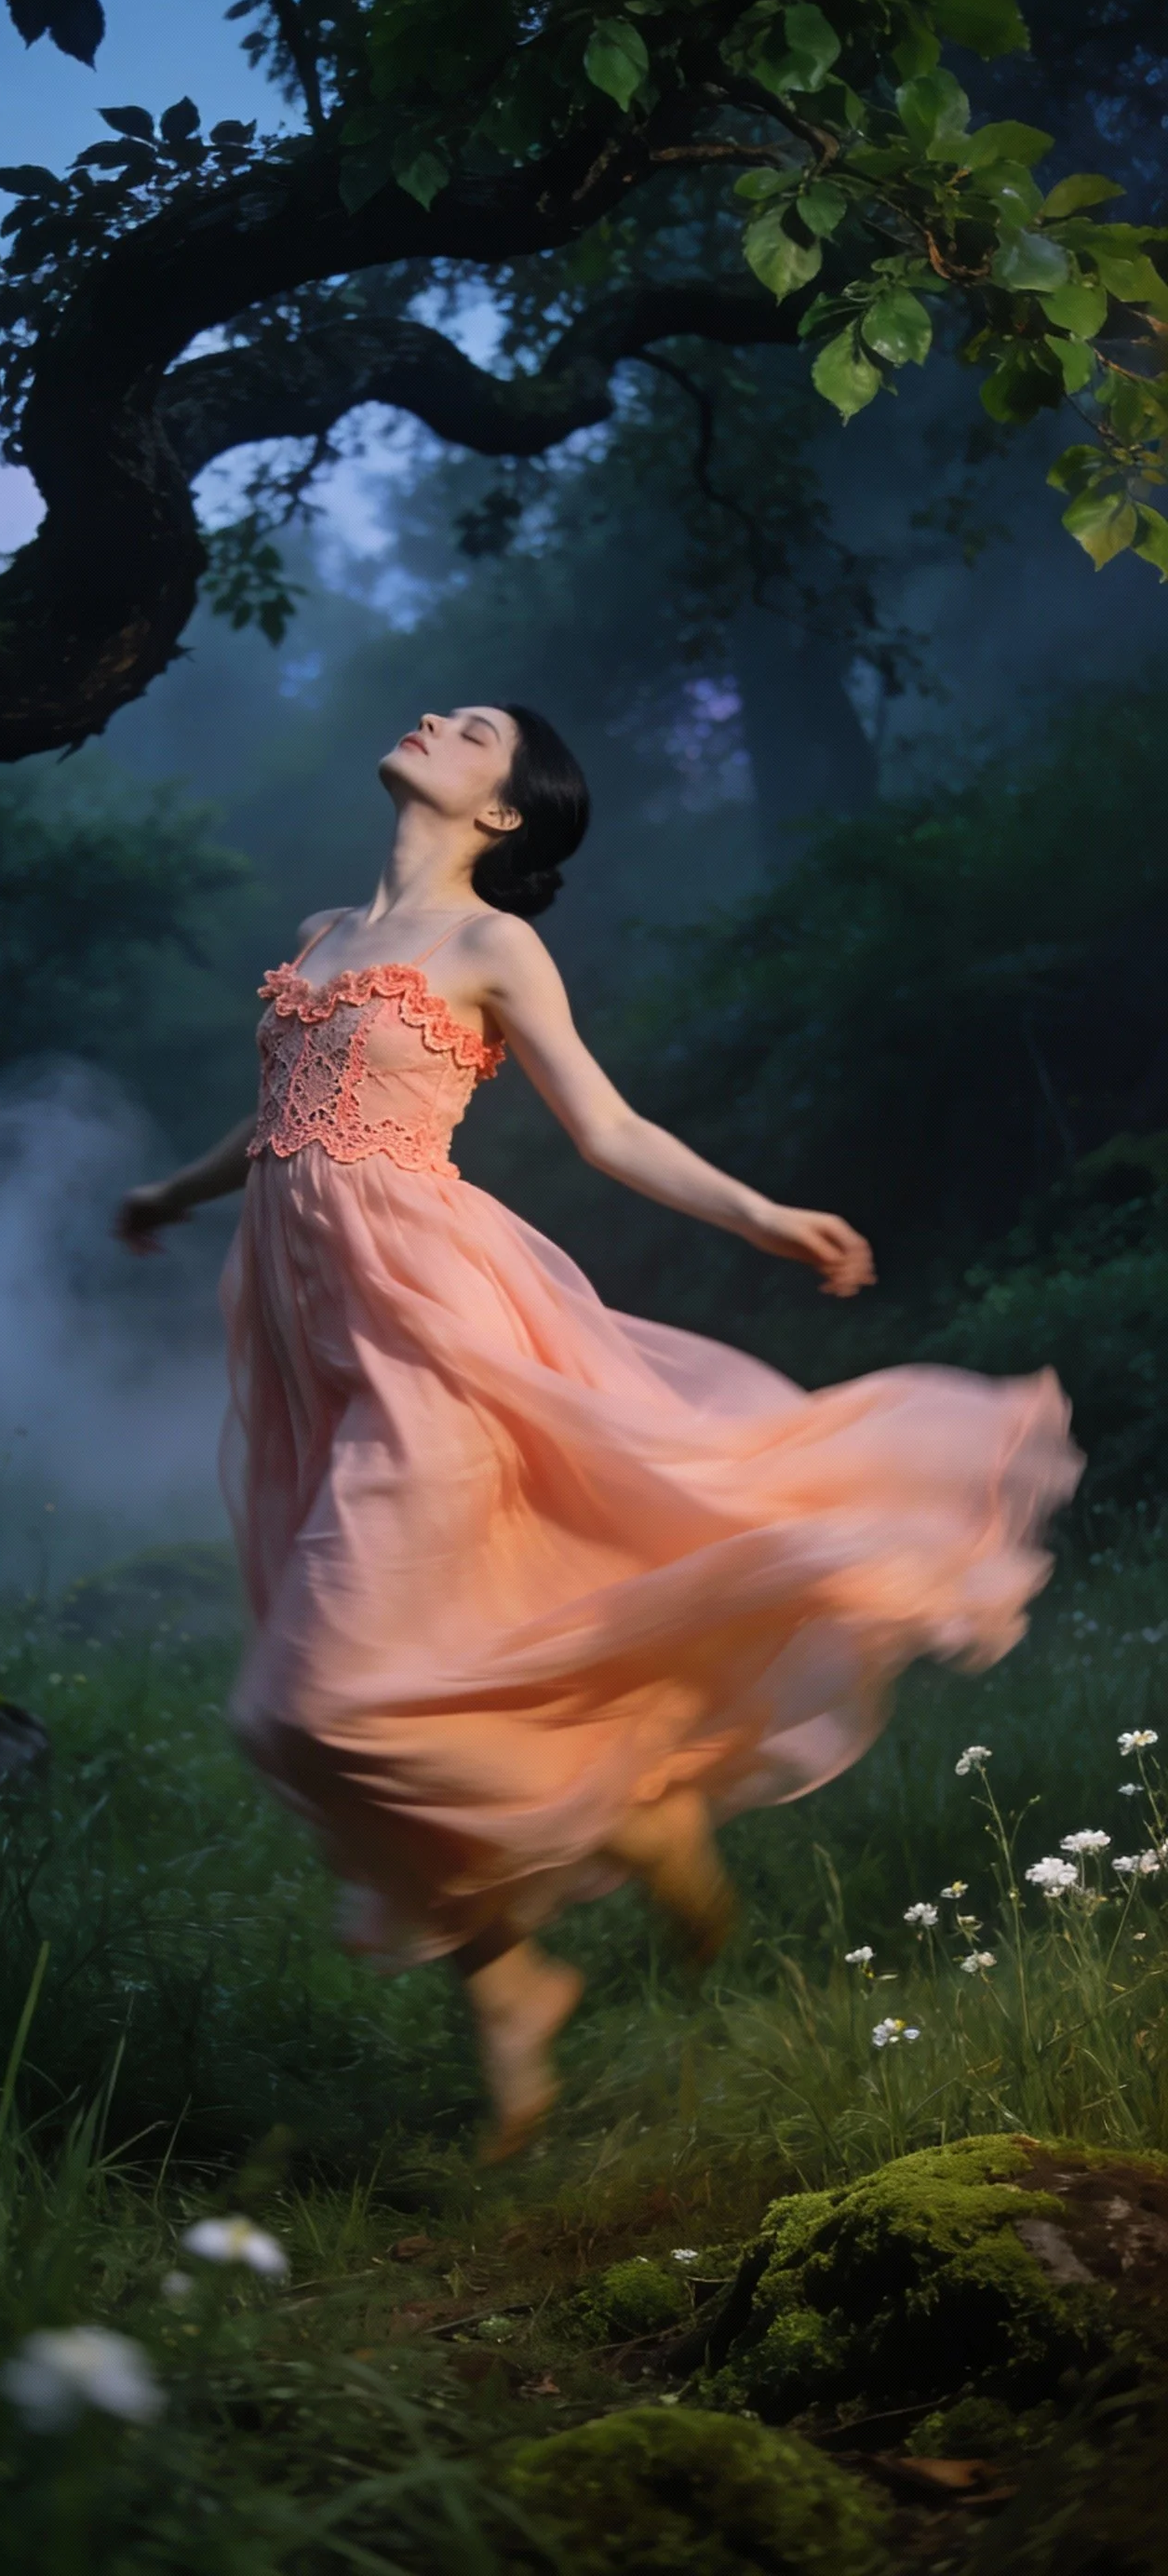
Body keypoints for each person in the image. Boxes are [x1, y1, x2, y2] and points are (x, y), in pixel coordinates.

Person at [115, 705, 1081, 2159]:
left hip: (436, 1325)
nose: (438, 721)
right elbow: (277, 1125)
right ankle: (514, 1982)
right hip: (312, 1340)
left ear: (505, 811)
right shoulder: (321, 931)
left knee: (309, 1705)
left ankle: (630, 1813)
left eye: (476, 729)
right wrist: (166, 1198)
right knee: (382, 1681)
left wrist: (761, 1214)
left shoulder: (492, 946)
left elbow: (611, 1129)